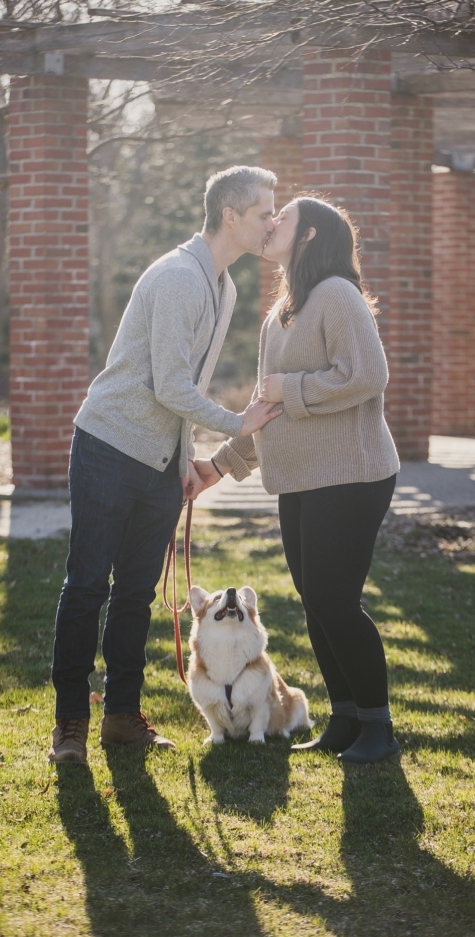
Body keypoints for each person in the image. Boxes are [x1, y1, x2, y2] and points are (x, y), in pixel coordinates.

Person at [48, 166, 282, 764]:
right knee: (86, 587)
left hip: (158, 461)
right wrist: (240, 423)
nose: (272, 222)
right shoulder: (179, 276)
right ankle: (70, 725)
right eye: (263, 212)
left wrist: (182, 460)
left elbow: (184, 387)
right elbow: (173, 385)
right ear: (231, 216)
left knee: (136, 594)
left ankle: (123, 716)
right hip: (108, 446)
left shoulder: (223, 286)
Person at [195, 196, 401, 765]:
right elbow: (268, 411)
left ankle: (379, 731)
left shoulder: (337, 293)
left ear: (308, 235)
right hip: (301, 481)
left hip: (352, 475)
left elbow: (367, 375)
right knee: (317, 604)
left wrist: (295, 388)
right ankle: (347, 717)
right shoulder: (280, 313)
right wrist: (217, 466)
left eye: (280, 216)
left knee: (336, 602)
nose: (269, 223)